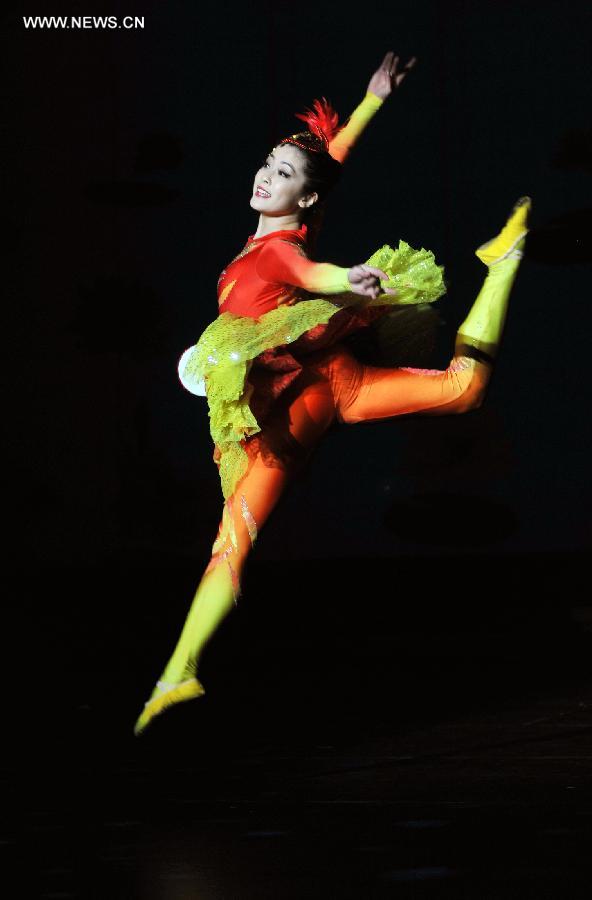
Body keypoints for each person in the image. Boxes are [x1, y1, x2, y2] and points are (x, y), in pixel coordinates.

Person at [134, 51, 530, 735]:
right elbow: (330, 163)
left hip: (297, 407)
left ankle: (178, 673)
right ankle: (504, 265)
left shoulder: (280, 250)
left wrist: (349, 281)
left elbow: (312, 273)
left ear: (305, 198)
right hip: (335, 386)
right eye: (267, 165)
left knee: (233, 542)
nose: (266, 176)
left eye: (283, 174)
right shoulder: (284, 227)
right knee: (464, 391)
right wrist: (372, 101)